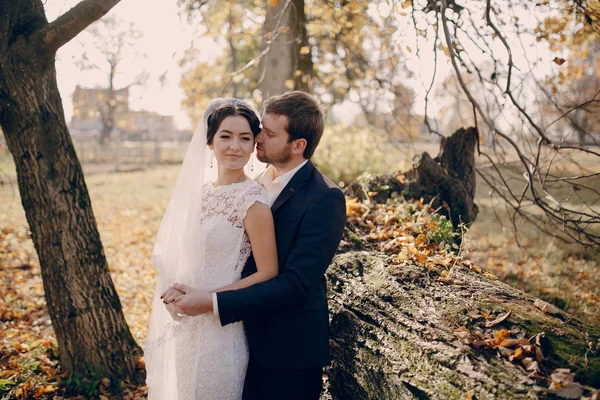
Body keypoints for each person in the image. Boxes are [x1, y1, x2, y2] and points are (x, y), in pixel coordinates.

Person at [162, 91, 347, 400]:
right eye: (261, 128)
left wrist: (211, 302)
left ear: (298, 145)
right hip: (237, 339)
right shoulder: (254, 182)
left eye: (270, 134)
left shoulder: (324, 198)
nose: (258, 137)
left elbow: (294, 283)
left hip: (287, 354)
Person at [145, 99, 278, 399]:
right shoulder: (201, 194)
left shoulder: (253, 200)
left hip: (221, 329)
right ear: (210, 142)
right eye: (226, 136)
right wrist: (173, 292)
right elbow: (181, 254)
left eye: (245, 138)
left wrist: (211, 299)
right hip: (186, 328)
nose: (235, 146)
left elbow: (269, 271)